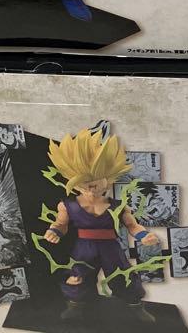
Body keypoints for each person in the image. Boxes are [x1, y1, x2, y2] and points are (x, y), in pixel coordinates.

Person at [43, 130, 162, 324]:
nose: (90, 188)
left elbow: (132, 225)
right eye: (84, 183)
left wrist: (143, 236)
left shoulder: (118, 206)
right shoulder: (67, 205)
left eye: (95, 182)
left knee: (124, 277)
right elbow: (61, 223)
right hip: (83, 247)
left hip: (110, 248)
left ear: (109, 178)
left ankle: (136, 306)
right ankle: (74, 307)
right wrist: (53, 231)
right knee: (77, 277)